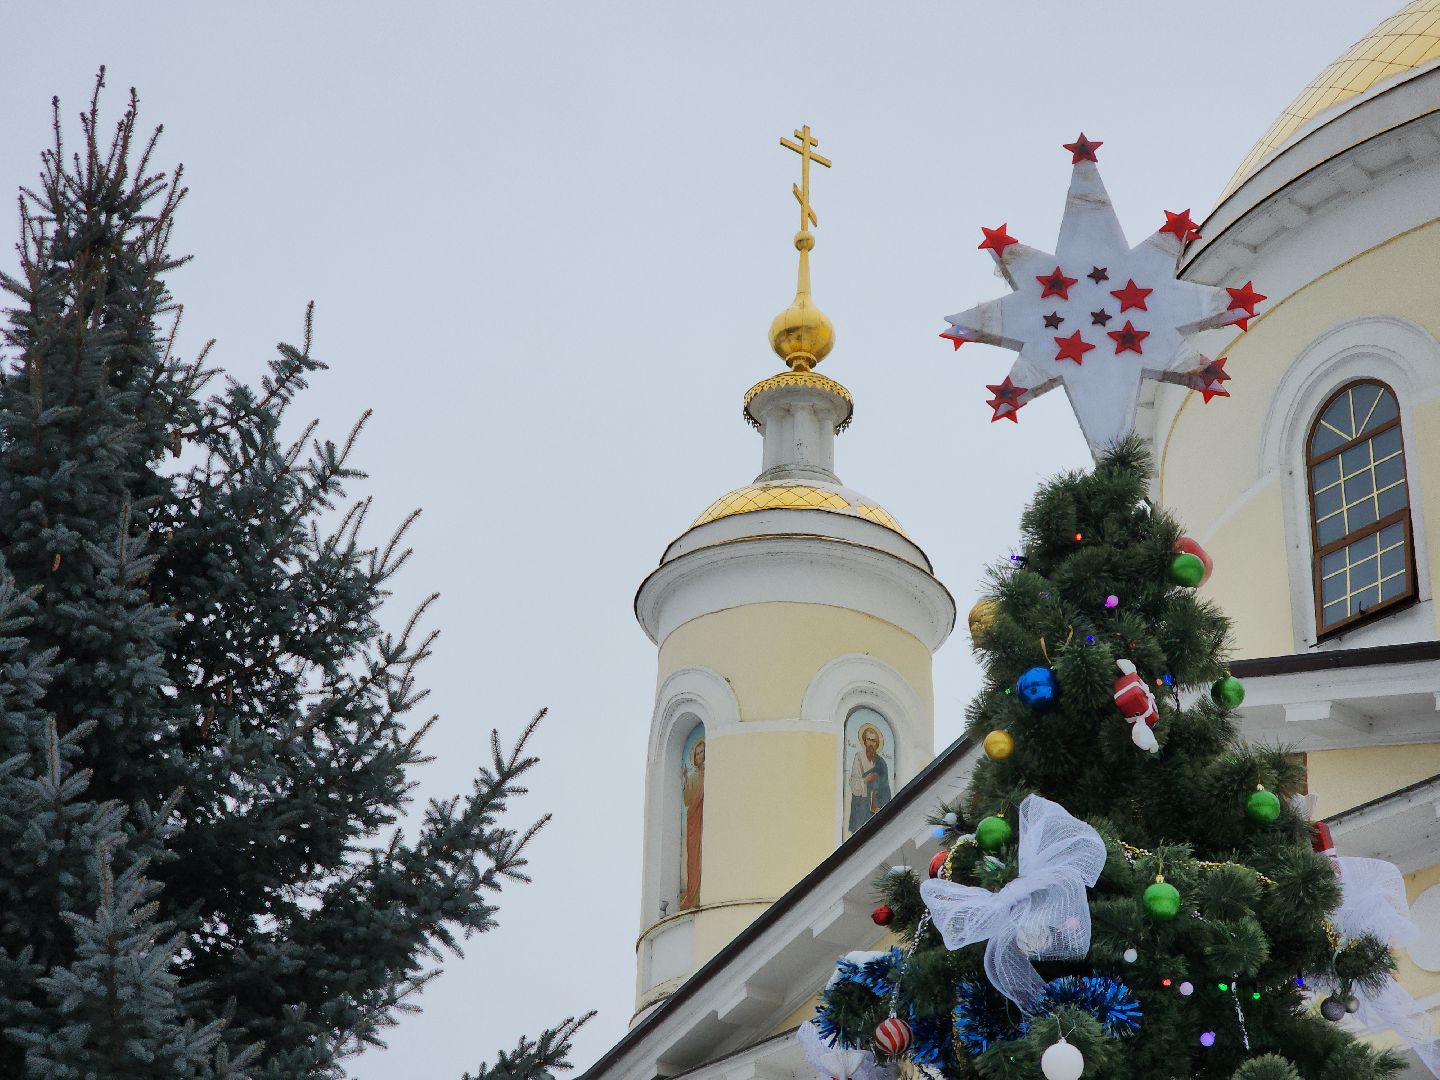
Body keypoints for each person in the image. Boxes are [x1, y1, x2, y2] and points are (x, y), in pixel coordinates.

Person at [847, 723, 891, 834]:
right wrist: (866, 780)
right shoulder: (859, 758)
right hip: (860, 805)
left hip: (875, 806)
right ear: (864, 741)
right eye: (868, 740)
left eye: (874, 741)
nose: (871, 743)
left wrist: (880, 804)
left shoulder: (881, 762)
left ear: (877, 744)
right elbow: (853, 782)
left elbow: (885, 786)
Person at [679, 736, 705, 910]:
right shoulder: (694, 776)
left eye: (702, 752)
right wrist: (687, 780)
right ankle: (692, 893)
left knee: (704, 852)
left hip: (704, 820)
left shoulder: (710, 774)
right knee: (693, 857)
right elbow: (688, 800)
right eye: (697, 753)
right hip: (693, 820)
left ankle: (701, 891)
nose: (699, 756)